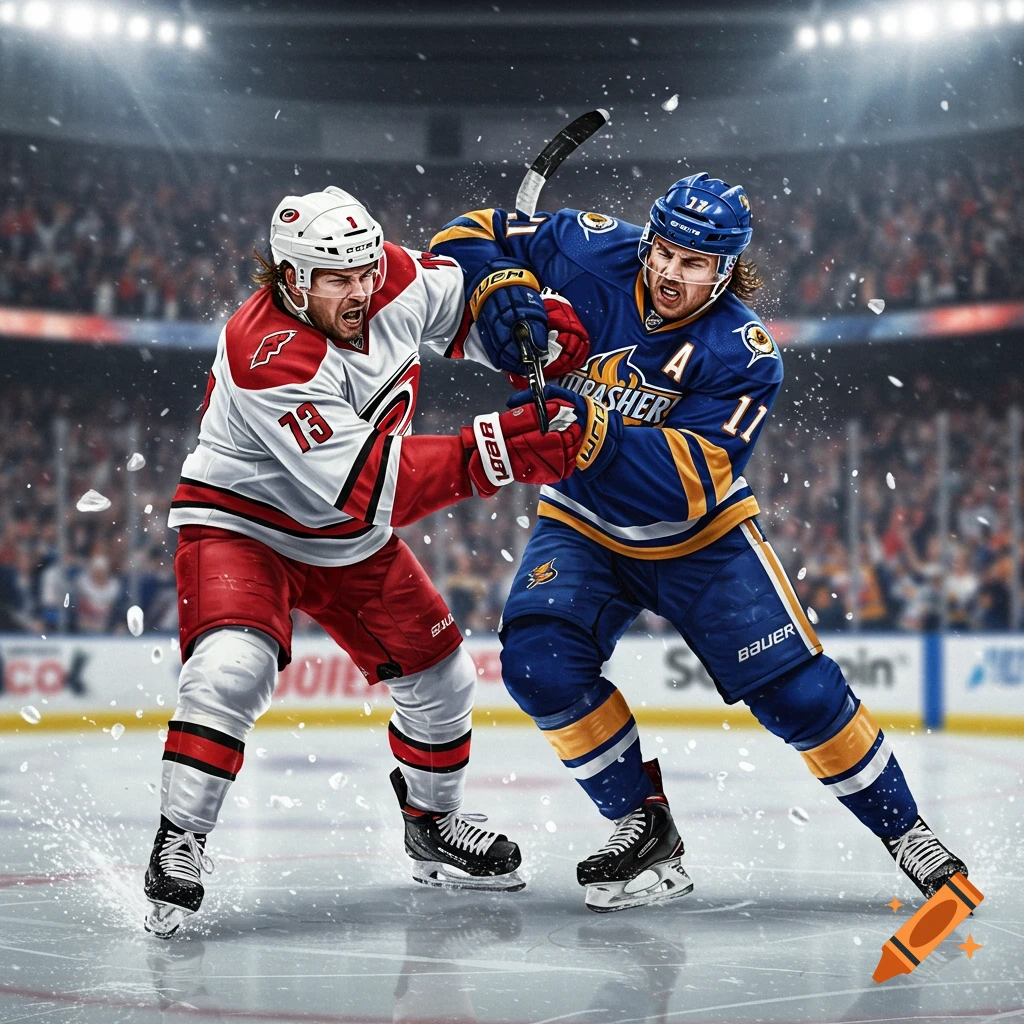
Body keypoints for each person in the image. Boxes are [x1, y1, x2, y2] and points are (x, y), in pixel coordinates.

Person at [431, 174, 968, 912]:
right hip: (584, 525)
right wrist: (499, 289)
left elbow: (686, 484)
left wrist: (592, 430)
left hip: (702, 540)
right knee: (538, 664)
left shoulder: (746, 354)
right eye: (665, 253)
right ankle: (643, 828)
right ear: (647, 241)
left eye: (695, 264)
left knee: (797, 694)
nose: (671, 274)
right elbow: (461, 235)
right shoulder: (589, 248)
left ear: (727, 271)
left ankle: (906, 830)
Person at [143, 186, 588, 936]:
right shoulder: (265, 352)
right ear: (290, 279)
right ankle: (178, 838)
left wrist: (525, 331)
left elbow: (467, 302)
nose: (358, 291)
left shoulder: (394, 277)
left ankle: (431, 825)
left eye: (363, 272)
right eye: (335, 280)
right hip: (242, 525)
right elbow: (368, 485)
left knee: (443, 679)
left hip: (343, 539)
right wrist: (499, 450)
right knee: (232, 668)